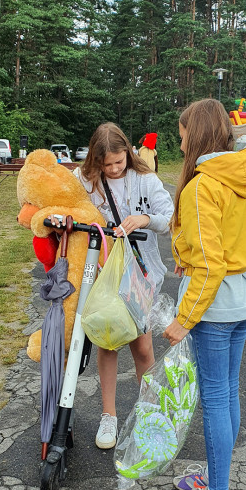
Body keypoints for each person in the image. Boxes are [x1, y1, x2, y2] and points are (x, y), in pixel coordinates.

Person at [162, 98, 246, 490]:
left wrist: (182, 319)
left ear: (196, 132)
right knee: (227, 391)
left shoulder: (203, 184)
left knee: (216, 397)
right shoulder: (243, 174)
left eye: (182, 131)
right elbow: (234, 241)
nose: (179, 138)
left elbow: (211, 263)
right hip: (242, 296)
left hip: (214, 305)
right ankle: (215, 477)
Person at [74, 122, 174, 449]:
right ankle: (109, 415)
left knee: (142, 346)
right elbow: (66, 203)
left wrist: (143, 219)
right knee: (108, 341)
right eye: (108, 164)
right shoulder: (86, 181)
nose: (116, 169)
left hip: (139, 277)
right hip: (104, 273)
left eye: (121, 161)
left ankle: (149, 413)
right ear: (96, 161)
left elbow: (169, 217)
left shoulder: (144, 179)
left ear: (129, 153)